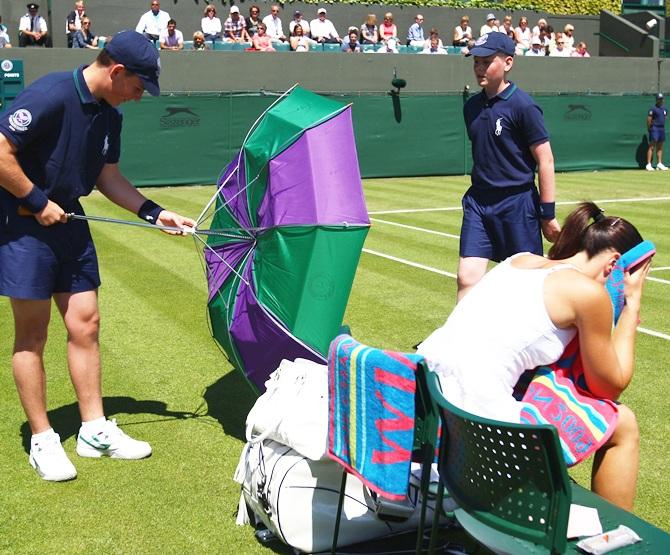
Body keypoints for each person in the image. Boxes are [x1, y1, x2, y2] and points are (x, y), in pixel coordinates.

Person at [0, 30, 196, 482]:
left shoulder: (111, 116)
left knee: (85, 323)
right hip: (25, 223)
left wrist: (155, 213)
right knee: (32, 334)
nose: (140, 96)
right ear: (117, 71)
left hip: (70, 221)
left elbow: (109, 177)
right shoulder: (49, 94)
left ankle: (93, 431)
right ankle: (43, 439)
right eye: (138, 86)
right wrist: (35, 198)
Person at [419, 202, 650, 510]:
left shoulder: (521, 260)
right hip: (476, 436)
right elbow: (610, 385)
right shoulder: (588, 294)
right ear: (614, 265)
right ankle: (615, 535)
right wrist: (632, 303)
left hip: (430, 408)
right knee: (623, 423)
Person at [457, 32, 560, 301]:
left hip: (517, 204)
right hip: (479, 202)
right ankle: (458, 342)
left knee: (524, 285)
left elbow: (546, 160)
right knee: (466, 277)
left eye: (487, 61)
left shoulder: (524, 106)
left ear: (508, 63)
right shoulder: (471, 107)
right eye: (476, 62)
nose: (479, 67)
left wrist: (547, 214)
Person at [646, 93, 668, 171]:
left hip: (661, 129)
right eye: (659, 99)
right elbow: (649, 120)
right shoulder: (653, 109)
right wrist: (650, 129)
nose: (661, 100)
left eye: (662, 99)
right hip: (654, 128)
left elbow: (665, 117)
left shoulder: (665, 109)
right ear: (656, 100)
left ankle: (659, 164)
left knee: (660, 147)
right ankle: (648, 164)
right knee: (652, 146)